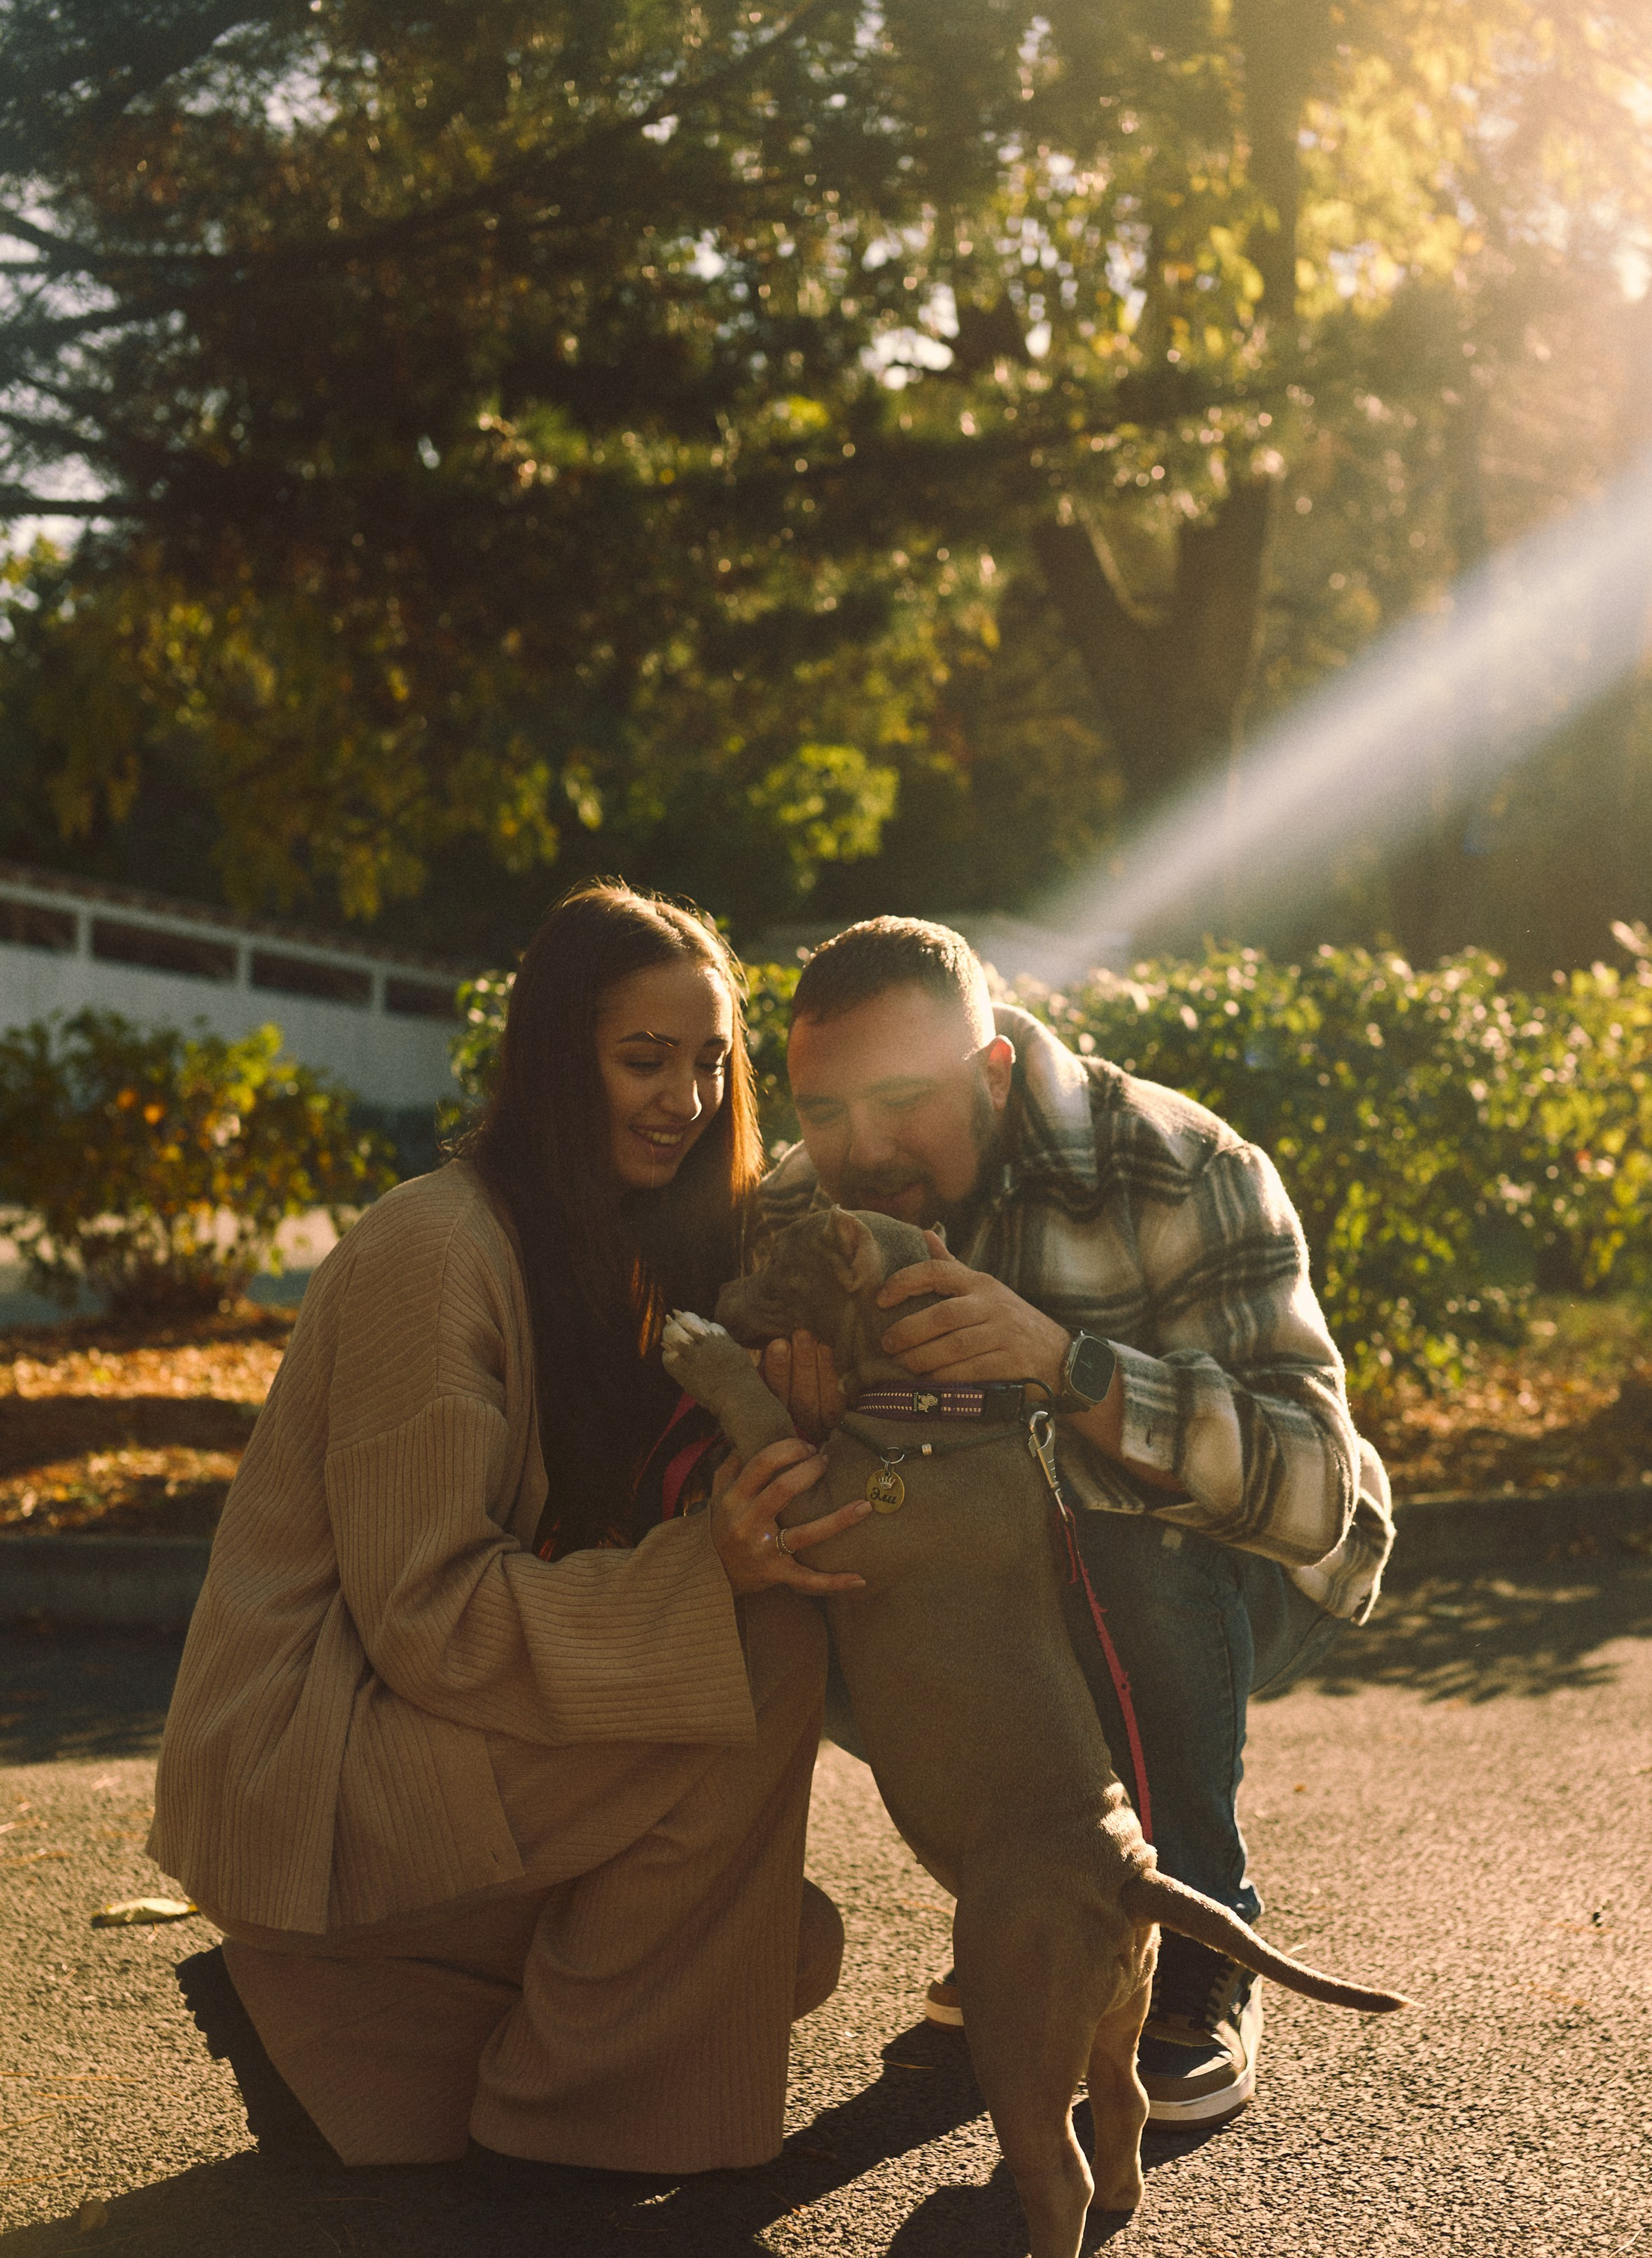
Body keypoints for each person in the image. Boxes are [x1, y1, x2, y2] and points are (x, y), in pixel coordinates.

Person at [150, 882, 870, 2182]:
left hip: (430, 1739)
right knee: (754, 1649)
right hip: (317, 1751)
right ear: (556, 1061)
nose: (687, 1099)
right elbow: (428, 1617)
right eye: (642, 1059)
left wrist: (793, 1414)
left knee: (789, 1946)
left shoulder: (644, 1254)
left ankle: (325, 2024)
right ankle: (560, 2137)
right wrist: (706, 1568)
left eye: (713, 1062)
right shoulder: (437, 1248)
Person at [755, 916, 1394, 2132]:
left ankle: (1197, 1928)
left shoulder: (1177, 1164)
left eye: (900, 1100)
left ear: (993, 1074)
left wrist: (1070, 1367)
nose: (862, 1147)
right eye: (825, 1112)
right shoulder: (805, 1208)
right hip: (991, 1586)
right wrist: (801, 1421)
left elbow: (1319, 1497)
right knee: (818, 1562)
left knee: (1106, 1535)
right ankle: (1035, 1904)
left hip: (1232, 1577)